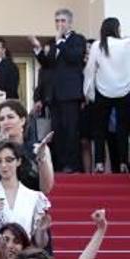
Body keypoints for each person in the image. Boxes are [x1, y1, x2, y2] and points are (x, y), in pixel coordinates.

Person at [30, 8, 86, 172]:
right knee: (58, 131)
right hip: (54, 95)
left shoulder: (78, 39)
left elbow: (75, 57)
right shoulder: (55, 43)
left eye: (62, 21)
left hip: (70, 94)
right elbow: (48, 65)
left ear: (70, 22)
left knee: (71, 130)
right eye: (57, 21)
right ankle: (60, 164)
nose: (59, 24)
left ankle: (73, 165)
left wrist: (61, 42)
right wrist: (37, 49)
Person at [84, 17, 130, 174]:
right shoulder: (126, 44)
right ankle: (124, 162)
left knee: (99, 129)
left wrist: (88, 92)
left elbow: (90, 69)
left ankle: (99, 163)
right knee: (122, 128)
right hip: (124, 90)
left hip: (103, 91)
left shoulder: (98, 45)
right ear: (117, 29)